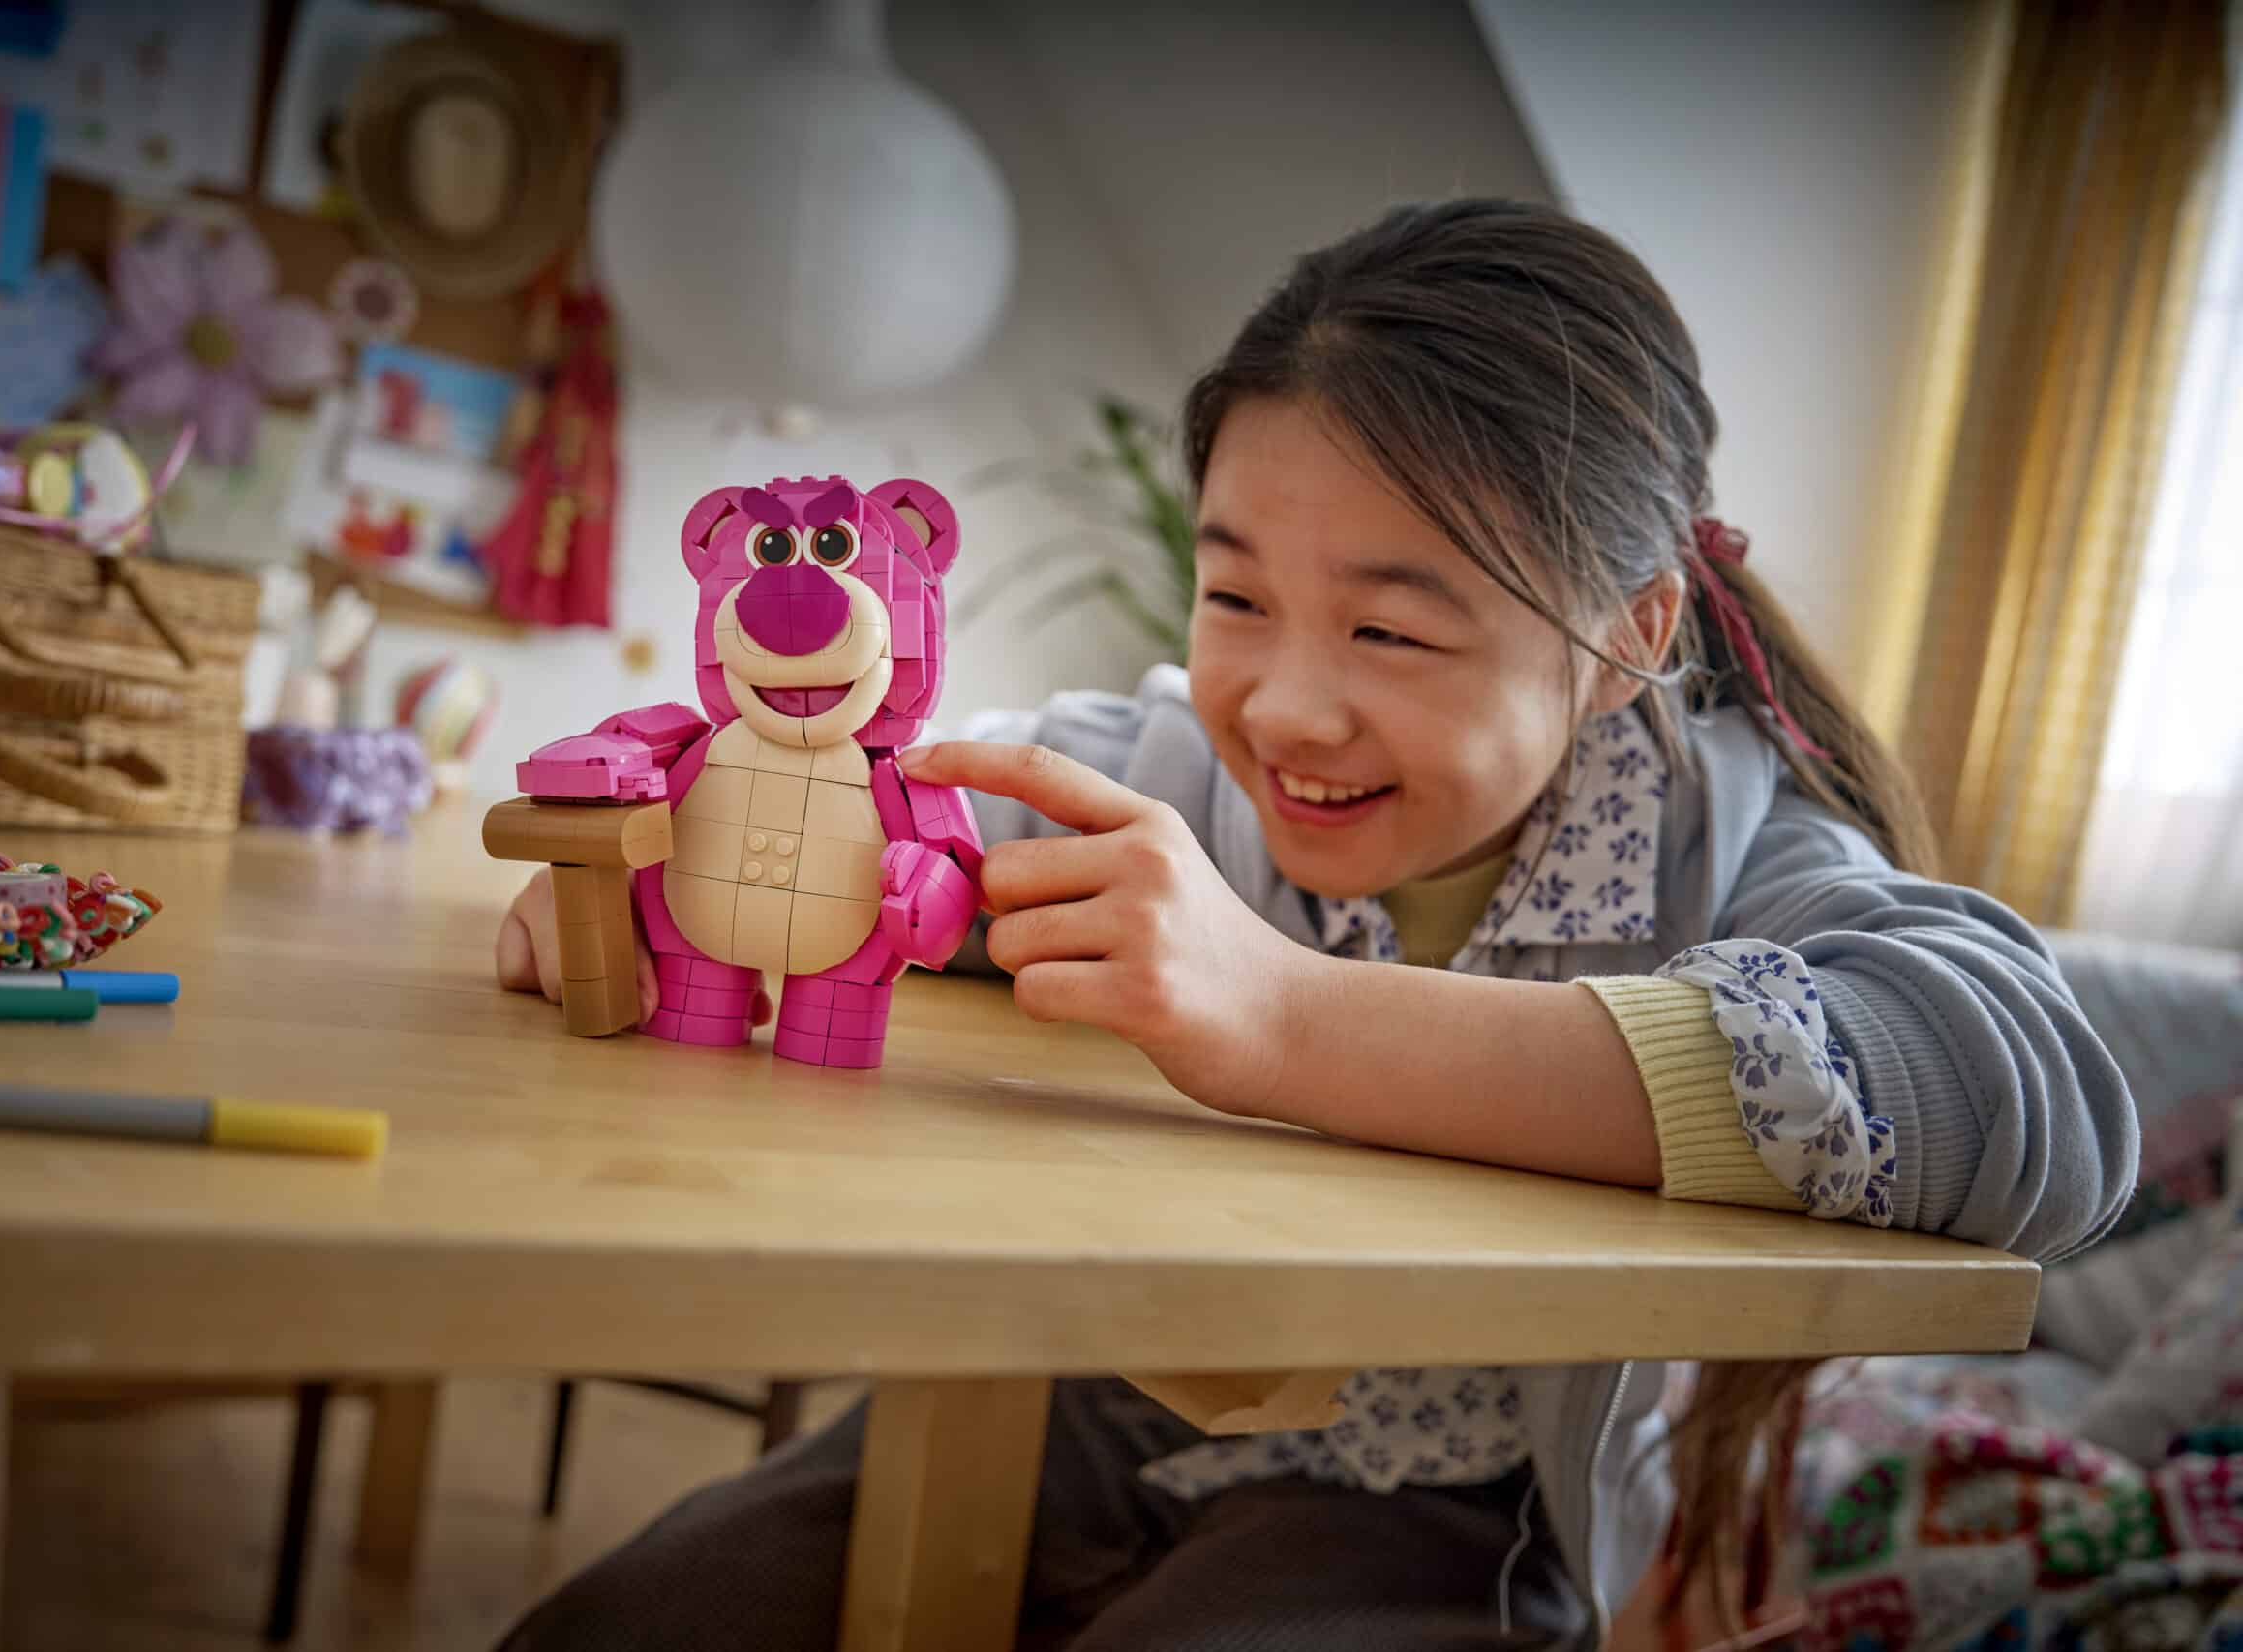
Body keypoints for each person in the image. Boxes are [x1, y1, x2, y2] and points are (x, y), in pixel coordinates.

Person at [490, 199, 2136, 1651]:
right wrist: (659, 887)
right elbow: (872, 825)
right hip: (1079, 1403)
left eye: (1391, 631)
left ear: (1629, 631)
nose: (1282, 708)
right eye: (1235, 597)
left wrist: (1275, 1013)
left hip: (1453, 1504)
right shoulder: (1157, 772)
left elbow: (2039, 1114)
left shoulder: (1730, 858)